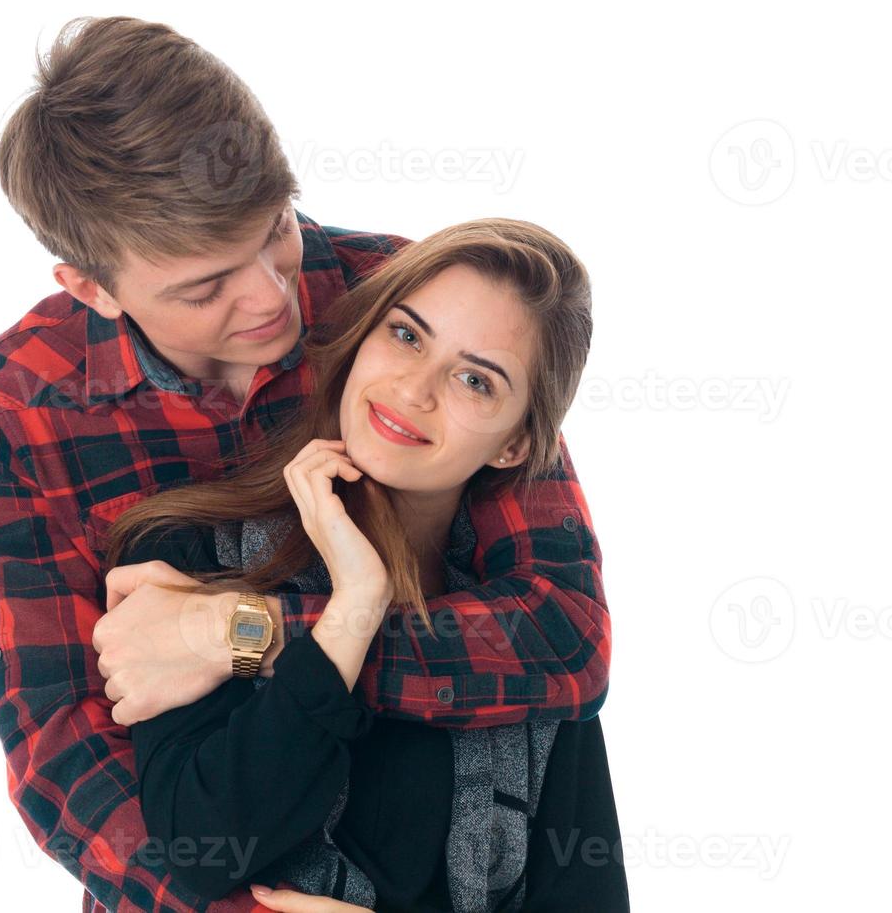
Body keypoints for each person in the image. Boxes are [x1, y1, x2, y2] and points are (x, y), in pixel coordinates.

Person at [0, 15, 611, 912]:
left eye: (275, 230)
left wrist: (235, 636)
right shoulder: (14, 410)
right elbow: (63, 754)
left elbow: (558, 633)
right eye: (204, 285)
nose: (271, 295)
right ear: (92, 287)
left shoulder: (403, 303)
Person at [106, 220, 628, 911]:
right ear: (360, 341)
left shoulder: (526, 646)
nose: (415, 389)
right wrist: (352, 606)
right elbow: (204, 847)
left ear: (515, 445)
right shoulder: (189, 553)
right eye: (407, 335)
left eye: (476, 379)